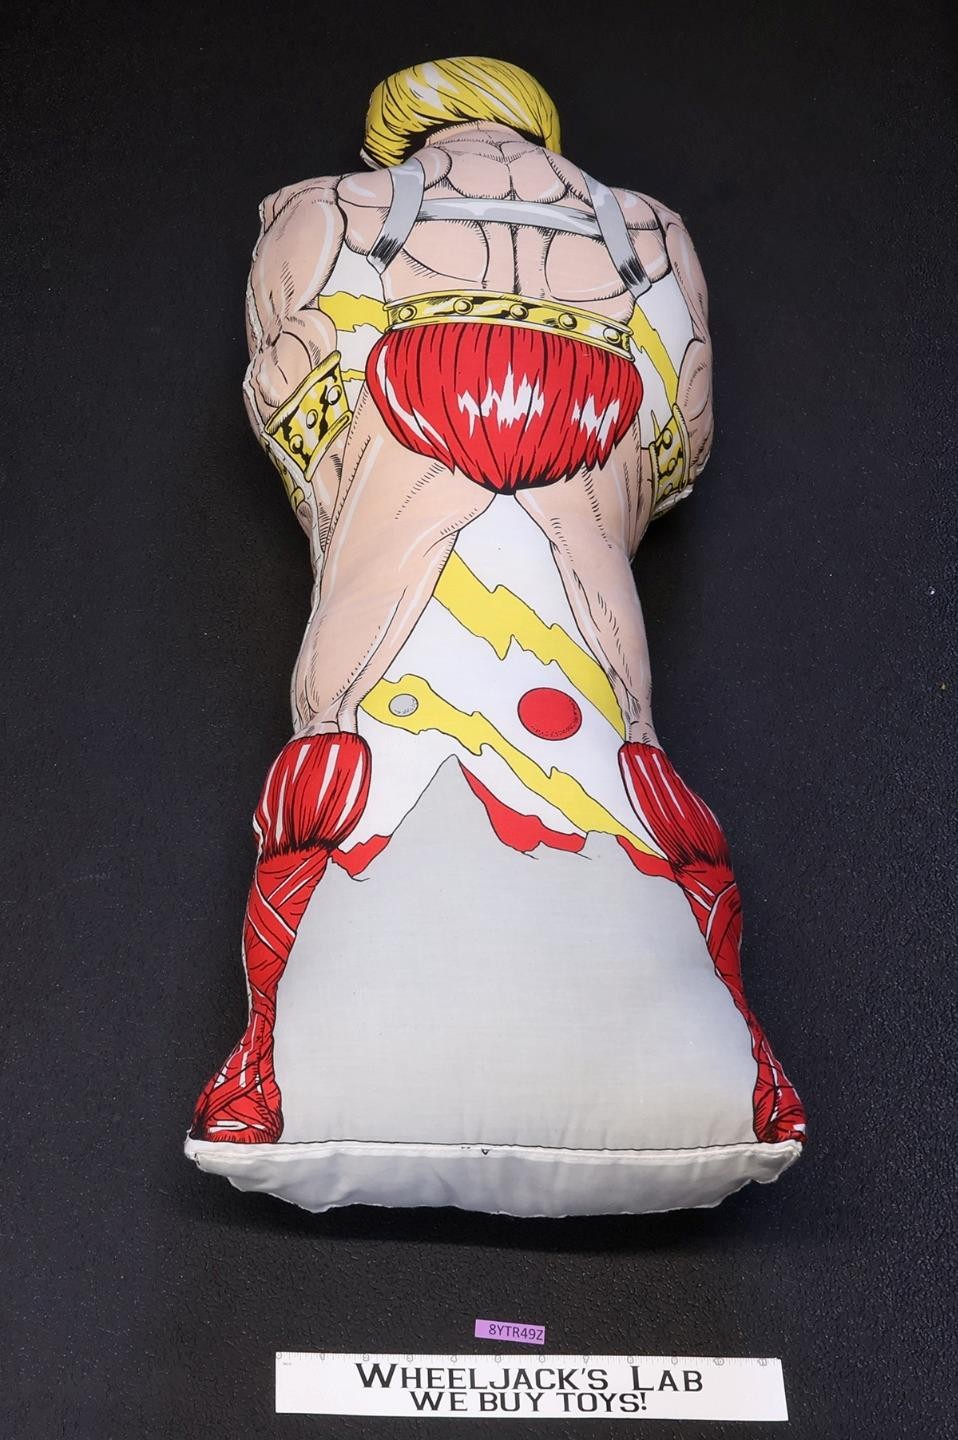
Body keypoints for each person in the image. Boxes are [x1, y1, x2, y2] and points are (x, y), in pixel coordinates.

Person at [190, 58, 803, 1149]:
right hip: (585, 468)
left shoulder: (321, 207)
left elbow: (286, 400)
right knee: (613, 729)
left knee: (353, 721)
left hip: (406, 473)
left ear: (395, 134)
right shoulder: (649, 227)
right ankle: (708, 1066)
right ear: (537, 126)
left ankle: (273, 1086)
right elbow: (681, 446)